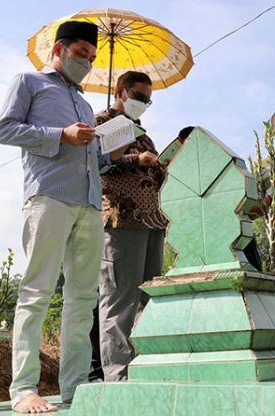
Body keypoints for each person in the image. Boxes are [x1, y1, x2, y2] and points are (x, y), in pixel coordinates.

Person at [0, 20, 117, 413]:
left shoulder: (85, 104)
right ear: (60, 49)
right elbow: (6, 130)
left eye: (92, 57)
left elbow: (91, 159)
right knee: (36, 293)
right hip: (48, 197)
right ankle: (24, 390)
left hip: (89, 203)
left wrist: (111, 146)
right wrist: (60, 135)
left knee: (83, 299)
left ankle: (76, 386)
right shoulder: (29, 82)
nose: (87, 61)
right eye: (81, 53)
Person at [94, 71, 167, 381]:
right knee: (120, 298)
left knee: (147, 301)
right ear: (121, 92)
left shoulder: (142, 133)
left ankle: (143, 368)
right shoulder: (102, 122)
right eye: (139, 97)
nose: (143, 104)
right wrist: (137, 161)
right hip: (121, 219)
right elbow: (98, 163)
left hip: (151, 221)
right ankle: (119, 375)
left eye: (147, 100)